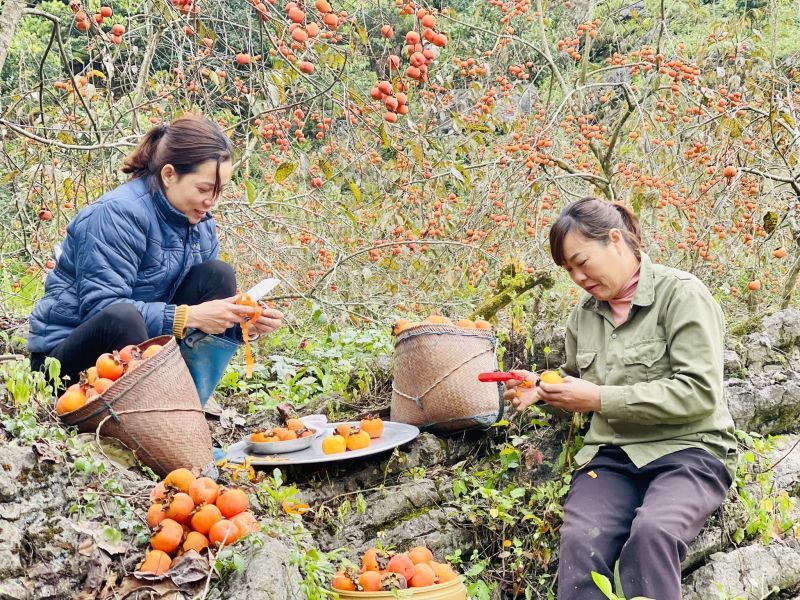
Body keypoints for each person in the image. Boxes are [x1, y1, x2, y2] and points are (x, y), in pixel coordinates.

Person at [504, 197, 737, 600]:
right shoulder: (584, 315)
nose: (577, 277)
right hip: (612, 456)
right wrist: (542, 388)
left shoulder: (681, 296)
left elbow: (698, 392)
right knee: (580, 540)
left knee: (652, 534)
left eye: (581, 261)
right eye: (568, 270)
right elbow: (581, 379)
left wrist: (598, 398)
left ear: (615, 240)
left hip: (691, 451)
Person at [28, 115, 284, 403]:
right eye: (203, 189)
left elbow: (188, 312)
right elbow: (102, 311)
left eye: (218, 191)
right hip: (64, 364)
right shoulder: (115, 215)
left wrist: (240, 324)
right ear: (169, 174)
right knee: (123, 316)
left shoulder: (201, 225)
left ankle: (183, 406)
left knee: (217, 275)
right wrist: (189, 316)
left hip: (140, 354)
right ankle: (160, 411)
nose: (211, 202)